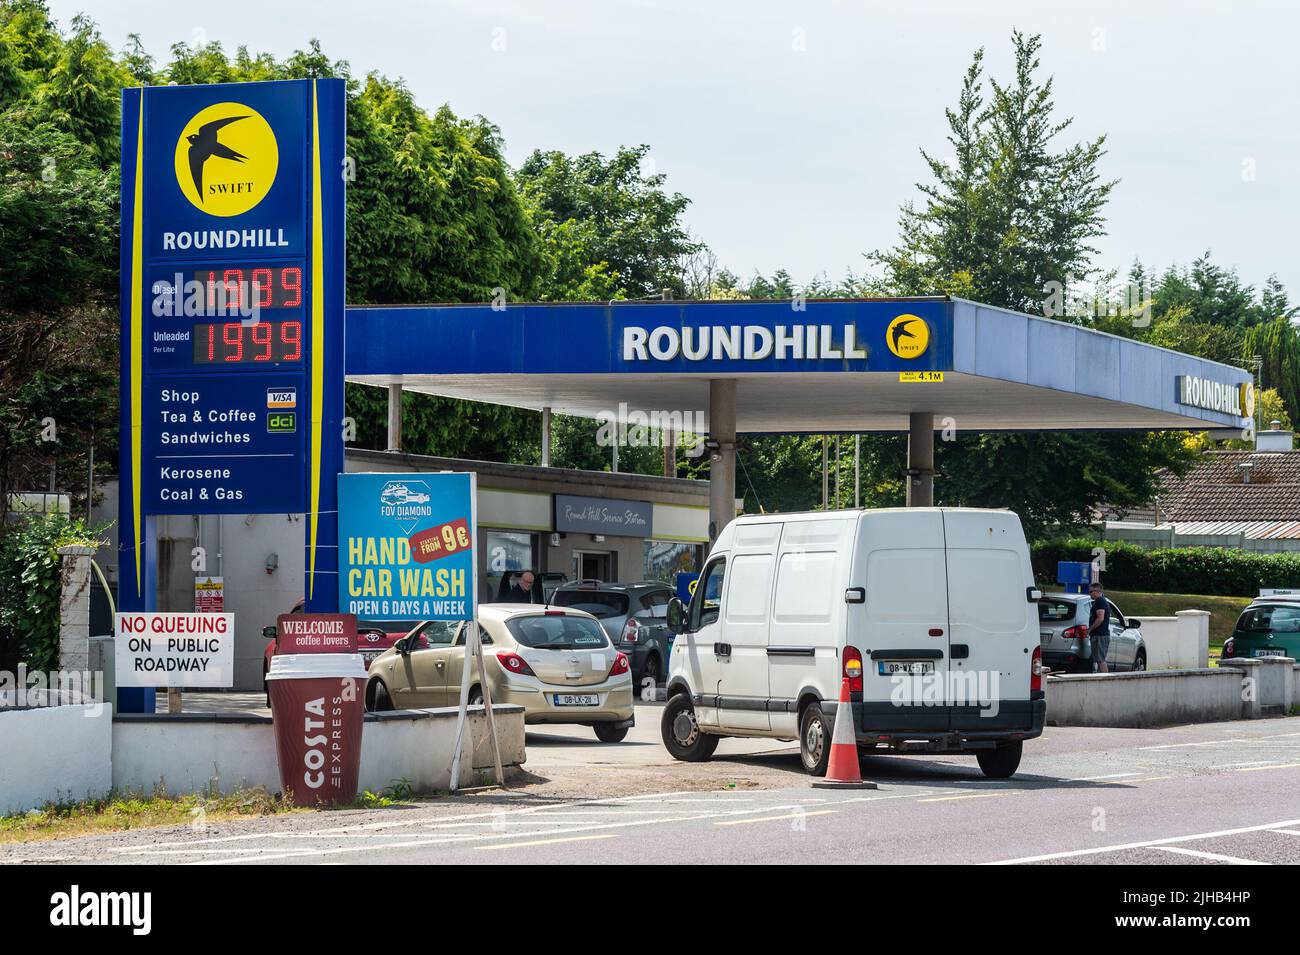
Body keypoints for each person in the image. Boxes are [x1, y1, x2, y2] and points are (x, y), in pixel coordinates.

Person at [1087, 581, 1111, 673]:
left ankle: (1105, 680)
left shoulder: (1100, 601)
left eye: (1091, 592)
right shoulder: (1100, 601)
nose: (1090, 594)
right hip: (1099, 635)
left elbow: (1100, 618)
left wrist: (1090, 629)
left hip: (1100, 635)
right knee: (1099, 659)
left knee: (1101, 660)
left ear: (1097, 591)